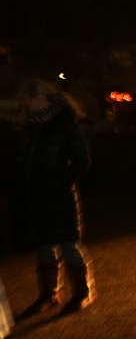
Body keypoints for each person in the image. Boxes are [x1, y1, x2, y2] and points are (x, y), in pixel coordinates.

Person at [13, 79, 95, 317]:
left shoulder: (64, 122)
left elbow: (82, 160)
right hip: (37, 196)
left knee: (68, 244)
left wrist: (59, 182)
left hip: (59, 196)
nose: (22, 103)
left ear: (40, 98)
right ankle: (49, 295)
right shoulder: (33, 126)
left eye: (25, 98)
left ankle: (82, 293)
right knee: (45, 246)